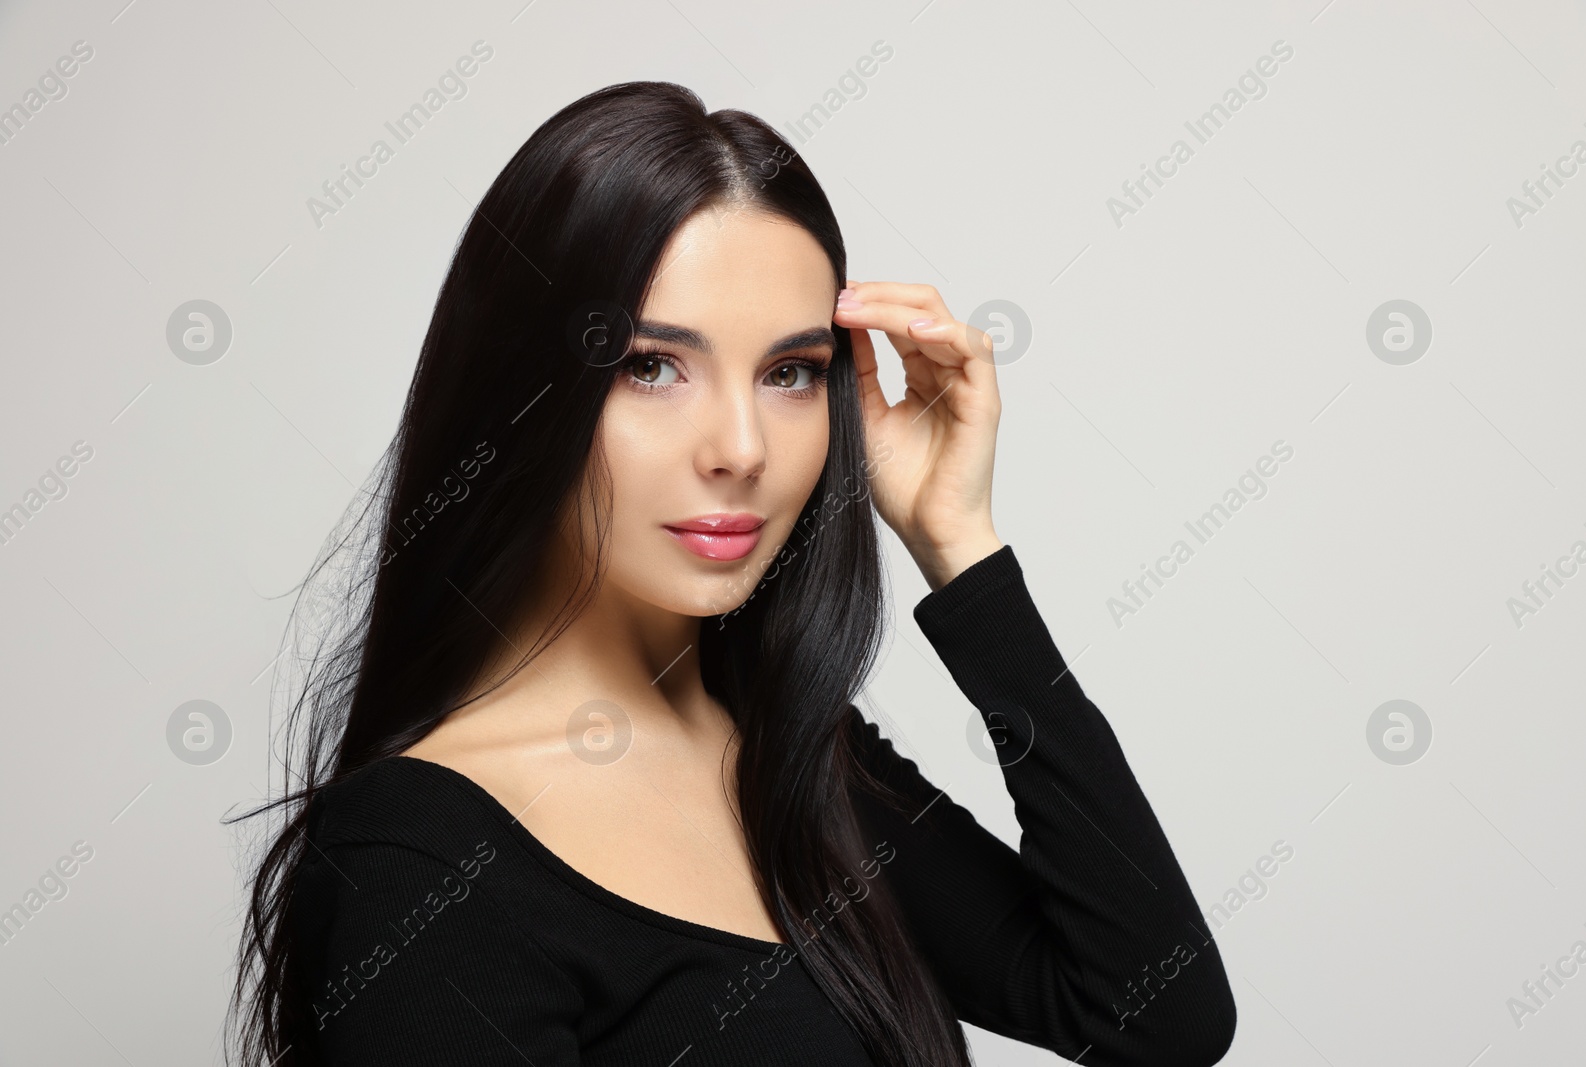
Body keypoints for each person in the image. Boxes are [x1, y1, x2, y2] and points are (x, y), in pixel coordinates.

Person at [226, 81, 1236, 1066]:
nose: (742, 447)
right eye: (652, 365)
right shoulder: (417, 867)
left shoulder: (794, 749)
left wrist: (956, 541)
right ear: (521, 388)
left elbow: (1155, 1011)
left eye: (790, 372)